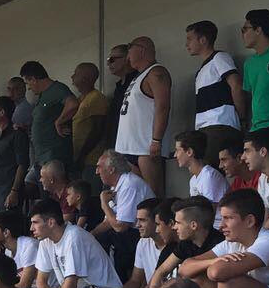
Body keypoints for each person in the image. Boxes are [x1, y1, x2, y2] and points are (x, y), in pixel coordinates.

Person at [114, 36, 173, 196]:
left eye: (130, 50)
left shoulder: (156, 72)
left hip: (145, 146)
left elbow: (163, 106)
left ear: (141, 50)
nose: (128, 56)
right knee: (136, 196)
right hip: (128, 146)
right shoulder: (138, 76)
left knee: (152, 196)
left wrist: (156, 140)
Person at [186, 19, 244, 131]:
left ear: (203, 40)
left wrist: (241, 117)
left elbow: (236, 85)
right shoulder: (200, 72)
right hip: (204, 128)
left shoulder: (219, 57)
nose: (186, 44)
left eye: (189, 39)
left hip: (221, 124)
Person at [21, 60, 74, 172]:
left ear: (33, 79)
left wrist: (59, 121)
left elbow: (72, 104)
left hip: (53, 155)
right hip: (41, 157)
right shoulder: (42, 95)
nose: (28, 88)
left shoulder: (57, 89)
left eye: (27, 83)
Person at [0, 95, 30, 214]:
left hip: (7, 193)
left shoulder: (17, 135)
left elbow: (22, 165)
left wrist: (14, 191)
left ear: (2, 112)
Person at [62, 62, 110, 177]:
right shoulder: (80, 99)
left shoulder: (96, 98)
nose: (72, 77)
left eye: (76, 74)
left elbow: (98, 130)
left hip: (91, 160)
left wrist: (82, 156)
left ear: (85, 79)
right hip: (78, 157)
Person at [175, 129, 228, 210]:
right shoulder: (193, 180)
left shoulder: (209, 176)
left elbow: (210, 211)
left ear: (189, 152)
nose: (175, 155)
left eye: (177, 150)